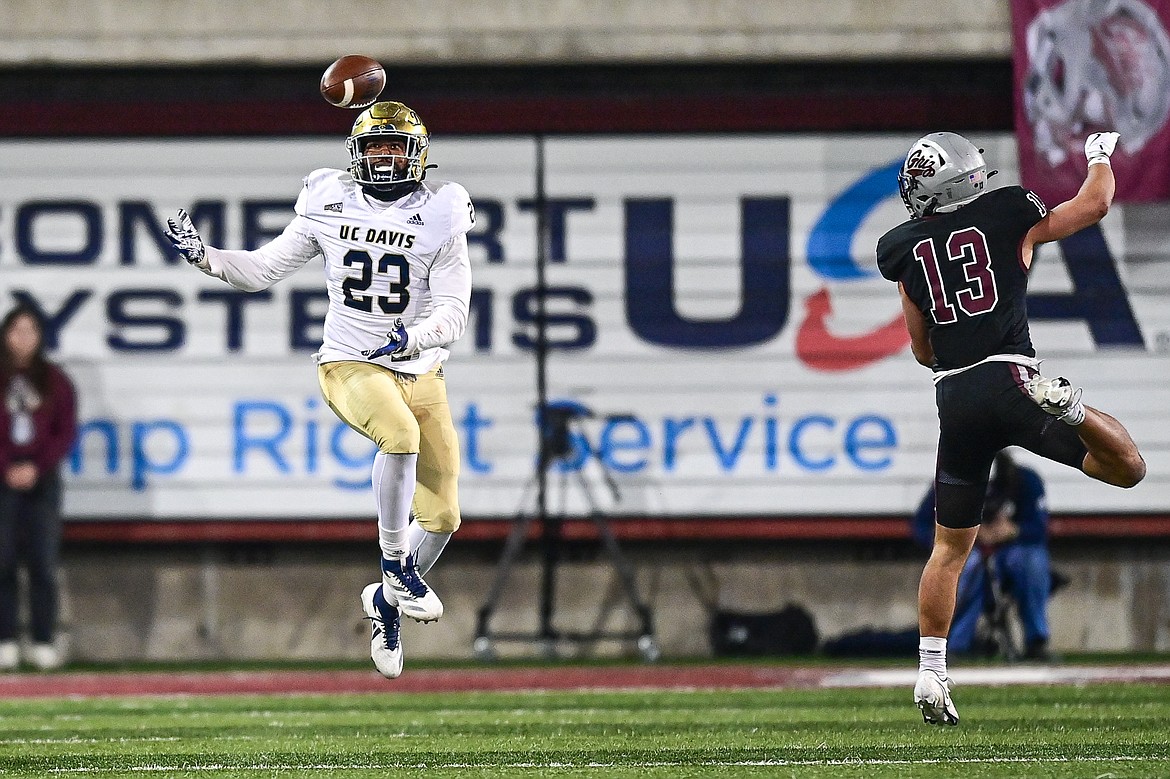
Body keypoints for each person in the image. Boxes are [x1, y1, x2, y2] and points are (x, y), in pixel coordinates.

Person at [165, 100, 473, 680]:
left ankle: (384, 602)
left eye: (394, 147)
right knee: (399, 435)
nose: (384, 158)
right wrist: (207, 259)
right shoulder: (328, 199)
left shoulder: (443, 213)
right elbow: (263, 269)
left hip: (420, 366)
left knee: (444, 517)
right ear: (356, 153)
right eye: (375, 146)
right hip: (350, 363)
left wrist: (413, 337)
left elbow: (454, 311)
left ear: (419, 155)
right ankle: (395, 569)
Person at [878, 130, 1146, 726]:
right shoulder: (1007, 213)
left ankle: (930, 671)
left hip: (955, 395)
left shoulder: (903, 250)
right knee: (1128, 469)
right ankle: (1071, 406)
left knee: (949, 550)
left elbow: (922, 350)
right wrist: (1099, 156)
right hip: (1012, 377)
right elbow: (1094, 205)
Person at [912, 450, 1056, 661]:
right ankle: (956, 644)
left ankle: (1036, 640)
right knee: (968, 566)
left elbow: (1040, 528)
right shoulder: (950, 481)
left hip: (1011, 551)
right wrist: (959, 534)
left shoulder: (1024, 480)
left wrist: (1012, 530)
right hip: (969, 551)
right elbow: (921, 526)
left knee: (1029, 560)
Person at [0, 304, 78, 671]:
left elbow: (64, 432)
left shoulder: (55, 381)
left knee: (43, 564)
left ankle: (44, 639)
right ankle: (6, 639)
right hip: (2, 482)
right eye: (17, 331)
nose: (23, 339)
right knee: (3, 563)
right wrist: (7, 467)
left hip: (43, 482)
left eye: (31, 331)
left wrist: (36, 466)